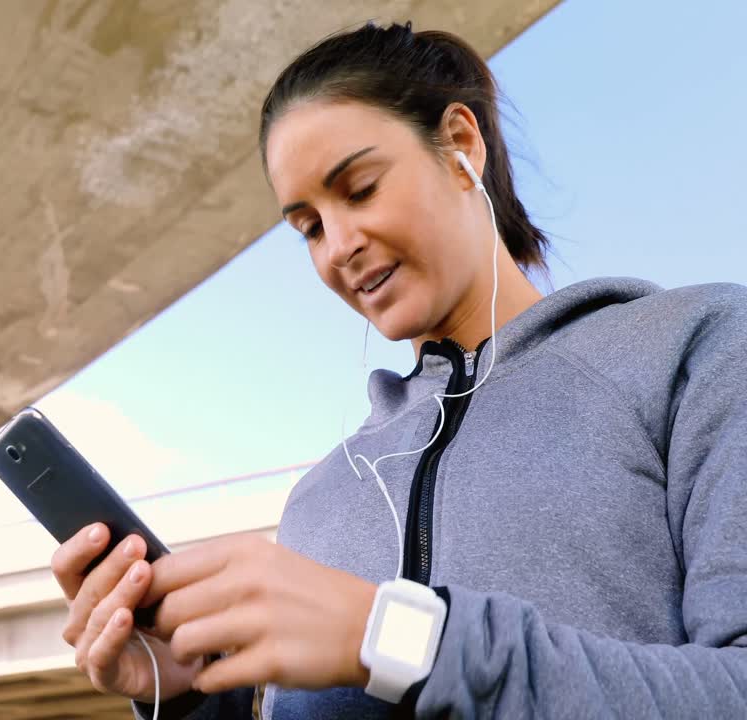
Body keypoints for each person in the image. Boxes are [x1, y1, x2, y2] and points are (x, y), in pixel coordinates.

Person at [51, 20, 747, 719]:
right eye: (310, 228)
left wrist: (390, 636)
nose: (340, 247)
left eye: (359, 189)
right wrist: (188, 698)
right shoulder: (318, 500)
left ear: (460, 146)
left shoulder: (694, 350)